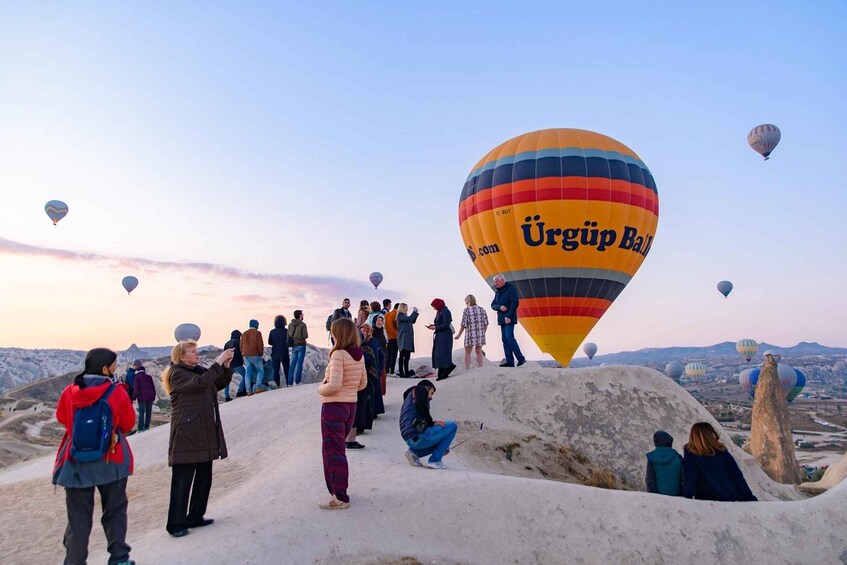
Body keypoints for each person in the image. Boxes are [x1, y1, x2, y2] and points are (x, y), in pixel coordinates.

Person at [52, 348, 136, 565]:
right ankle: (119, 558)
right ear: (104, 368)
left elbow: (62, 417)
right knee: (115, 512)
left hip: (76, 463)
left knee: (78, 520)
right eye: (114, 364)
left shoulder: (69, 392)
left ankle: (74, 561)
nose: (116, 368)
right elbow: (127, 424)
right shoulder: (116, 392)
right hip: (111, 459)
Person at [163, 341, 234, 537]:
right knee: (182, 480)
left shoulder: (199, 370)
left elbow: (216, 383)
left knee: (204, 476)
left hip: (203, 430)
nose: (197, 354)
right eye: (192, 352)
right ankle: (176, 524)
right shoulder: (177, 373)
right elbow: (200, 384)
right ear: (181, 356)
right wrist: (218, 361)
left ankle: (195, 516)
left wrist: (226, 366)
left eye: (196, 351)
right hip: (187, 433)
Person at [318, 318, 368, 509]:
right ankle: (339, 492)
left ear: (338, 333)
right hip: (350, 406)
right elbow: (362, 384)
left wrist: (320, 389)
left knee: (333, 451)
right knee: (339, 450)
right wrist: (350, 390)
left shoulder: (339, 354)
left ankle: (339, 496)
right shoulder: (359, 354)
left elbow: (334, 385)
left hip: (334, 406)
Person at [682, 422, 757, 502]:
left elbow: (690, 476)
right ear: (711, 435)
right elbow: (737, 476)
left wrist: (687, 496)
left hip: (708, 499)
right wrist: (749, 497)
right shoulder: (721, 451)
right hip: (731, 496)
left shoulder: (691, 453)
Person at [399, 380, 457, 469]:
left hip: (409, 439)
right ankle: (435, 460)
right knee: (453, 425)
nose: (431, 397)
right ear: (428, 387)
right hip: (417, 435)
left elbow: (408, 396)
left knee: (443, 444)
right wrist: (431, 422)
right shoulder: (421, 388)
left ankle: (414, 453)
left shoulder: (410, 395)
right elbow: (420, 404)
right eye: (431, 393)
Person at [348, 324, 377, 447]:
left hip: (356, 384)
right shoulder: (360, 351)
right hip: (358, 384)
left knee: (357, 410)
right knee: (356, 410)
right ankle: (350, 439)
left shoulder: (351, 350)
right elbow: (369, 362)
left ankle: (351, 437)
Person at [491, 274, 526, 367]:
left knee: (509, 337)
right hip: (502, 319)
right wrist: (499, 307)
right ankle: (510, 362)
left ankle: (521, 359)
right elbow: (493, 305)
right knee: (505, 340)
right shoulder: (497, 292)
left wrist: (509, 316)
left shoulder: (511, 289)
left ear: (502, 280)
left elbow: (515, 303)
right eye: (495, 282)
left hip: (509, 319)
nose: (496, 283)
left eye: (497, 281)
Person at [454, 294, 489, 370]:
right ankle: (481, 367)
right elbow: (486, 323)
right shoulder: (482, 309)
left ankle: (467, 368)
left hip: (470, 334)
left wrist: (459, 335)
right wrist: (483, 333)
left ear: (468, 302)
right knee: (479, 352)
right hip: (480, 334)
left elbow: (463, 324)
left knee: (467, 353)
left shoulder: (466, 310)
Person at [426, 298, 456, 381]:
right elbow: (440, 323)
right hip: (440, 334)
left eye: (434, 306)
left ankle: (447, 369)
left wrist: (435, 327)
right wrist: (433, 325)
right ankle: (443, 371)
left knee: (443, 352)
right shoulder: (440, 312)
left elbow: (446, 324)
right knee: (439, 353)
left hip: (445, 335)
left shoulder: (445, 311)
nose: (434, 308)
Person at [645, 430, 683, 496]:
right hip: (677, 494)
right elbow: (684, 477)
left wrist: (653, 495)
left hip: (659, 495)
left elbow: (650, 480)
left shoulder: (652, 458)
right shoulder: (678, 457)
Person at [241, 319, 266, 394]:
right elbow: (260, 344)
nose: (258, 325)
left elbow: (241, 345)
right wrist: (260, 353)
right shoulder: (257, 333)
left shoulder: (244, 333)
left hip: (246, 355)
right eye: (257, 324)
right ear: (255, 324)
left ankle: (248, 390)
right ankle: (258, 387)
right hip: (256, 355)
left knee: (248, 372)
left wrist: (243, 352)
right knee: (260, 371)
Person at [396, 303, 419, 378]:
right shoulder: (400, 316)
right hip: (403, 338)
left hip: (407, 339)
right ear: (402, 308)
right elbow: (409, 319)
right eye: (406, 307)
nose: (407, 309)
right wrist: (414, 312)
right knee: (402, 355)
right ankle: (402, 372)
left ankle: (406, 371)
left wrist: (416, 313)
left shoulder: (405, 317)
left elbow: (412, 321)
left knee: (407, 356)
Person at [268, 315, 291, 388]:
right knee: (286, 368)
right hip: (284, 352)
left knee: (276, 370)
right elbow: (290, 341)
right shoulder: (286, 331)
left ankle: (277, 384)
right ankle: (288, 383)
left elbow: (270, 342)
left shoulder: (272, 332)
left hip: (275, 352)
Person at [133, 365, 156, 432]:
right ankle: (147, 426)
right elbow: (153, 387)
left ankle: (140, 428)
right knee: (148, 411)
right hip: (150, 396)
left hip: (142, 397)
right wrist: (154, 395)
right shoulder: (149, 377)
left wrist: (134, 397)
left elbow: (136, 388)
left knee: (141, 412)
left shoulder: (136, 378)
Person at [288, 310, 309, 385]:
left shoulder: (290, 325)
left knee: (293, 364)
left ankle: (289, 382)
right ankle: (297, 381)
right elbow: (305, 336)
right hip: (301, 344)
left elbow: (289, 335)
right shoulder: (303, 324)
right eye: (302, 314)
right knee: (299, 363)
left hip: (294, 345)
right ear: (300, 315)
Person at [225, 330, 245, 400]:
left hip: (229, 364)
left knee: (227, 379)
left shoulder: (227, 343)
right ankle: (240, 391)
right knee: (245, 375)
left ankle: (226, 396)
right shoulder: (238, 342)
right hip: (237, 363)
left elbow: (224, 354)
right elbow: (239, 353)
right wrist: (242, 361)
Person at [372, 314, 388, 398]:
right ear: (374, 322)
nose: (380, 322)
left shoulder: (382, 332)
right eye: (378, 321)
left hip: (382, 358)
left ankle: (380, 398)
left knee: (382, 380)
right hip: (375, 359)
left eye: (381, 321)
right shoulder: (373, 332)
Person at [384, 303, 400, 375]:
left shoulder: (387, 315)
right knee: (394, 355)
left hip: (389, 337)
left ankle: (387, 370)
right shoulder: (396, 315)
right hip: (395, 336)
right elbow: (397, 326)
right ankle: (392, 371)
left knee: (388, 354)